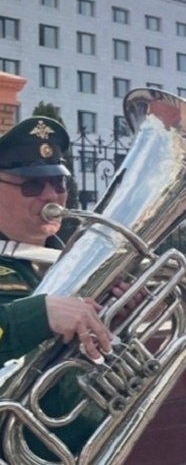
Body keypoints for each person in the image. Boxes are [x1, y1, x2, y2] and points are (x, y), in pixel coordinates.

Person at [0, 117, 115, 459]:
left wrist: (115, 315)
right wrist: (36, 316)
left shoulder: (73, 265)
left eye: (58, 182)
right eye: (32, 185)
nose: (51, 194)